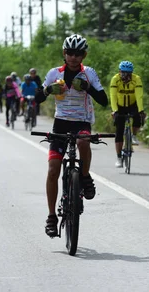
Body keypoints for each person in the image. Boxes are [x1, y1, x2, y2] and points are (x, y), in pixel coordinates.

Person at [35, 34, 109, 238]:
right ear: (64, 53)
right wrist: (49, 90)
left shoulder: (89, 74)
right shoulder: (54, 73)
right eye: (70, 53)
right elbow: (37, 99)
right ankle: (51, 216)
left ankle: (84, 178)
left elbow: (103, 100)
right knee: (53, 169)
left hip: (82, 121)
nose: (74, 57)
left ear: (84, 55)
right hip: (61, 122)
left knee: (83, 141)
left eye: (78, 54)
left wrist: (87, 88)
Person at [110, 60, 146, 168]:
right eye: (123, 72)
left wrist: (141, 110)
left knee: (137, 116)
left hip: (132, 104)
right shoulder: (115, 79)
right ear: (119, 72)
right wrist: (115, 110)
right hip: (120, 106)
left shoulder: (136, 79)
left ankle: (133, 136)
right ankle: (119, 158)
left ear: (131, 73)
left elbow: (139, 96)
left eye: (128, 73)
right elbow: (113, 96)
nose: (125, 75)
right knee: (119, 131)